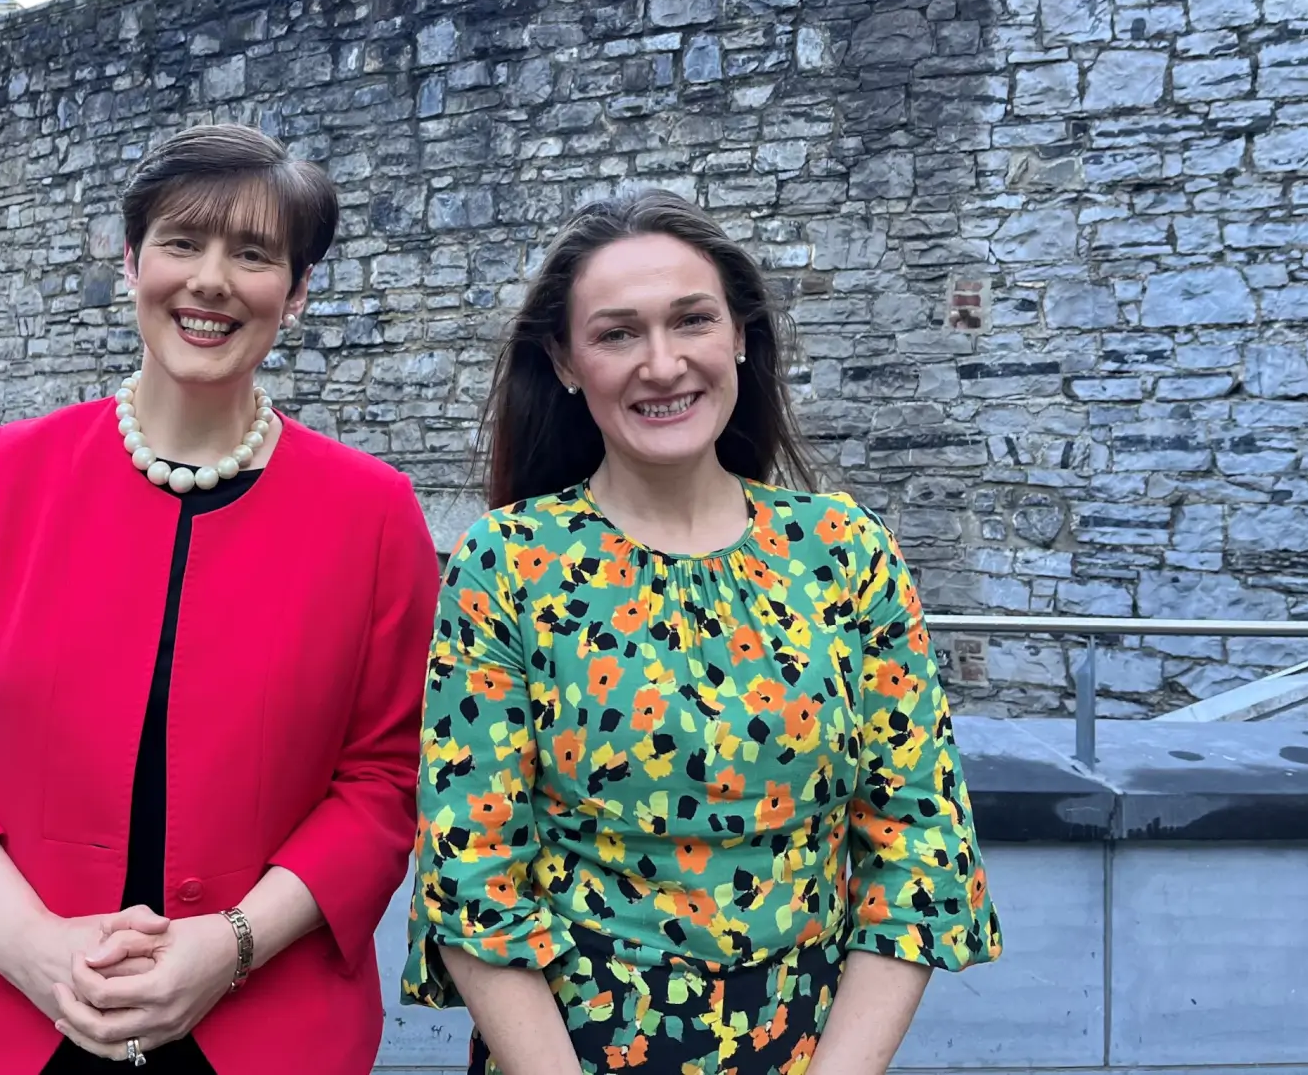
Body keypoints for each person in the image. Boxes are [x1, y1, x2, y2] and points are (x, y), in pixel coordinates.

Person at [0, 124, 439, 1074]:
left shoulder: (373, 516)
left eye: (253, 254)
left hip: (262, 1027)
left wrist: (230, 946)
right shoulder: (7, 479)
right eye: (181, 242)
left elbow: (383, 782)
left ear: (298, 291)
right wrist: (38, 950)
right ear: (131, 263)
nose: (211, 280)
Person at [403, 190, 1001, 1075]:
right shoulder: (508, 565)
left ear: (742, 337)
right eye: (617, 334)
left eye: (693, 320)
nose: (663, 362)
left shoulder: (844, 552)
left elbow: (919, 841)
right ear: (565, 362)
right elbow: (471, 875)